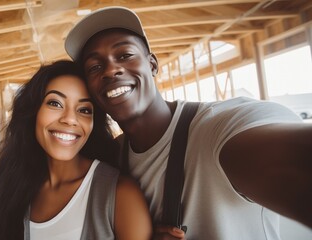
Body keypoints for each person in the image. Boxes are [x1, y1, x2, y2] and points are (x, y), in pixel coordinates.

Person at [64, 6, 312, 240]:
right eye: (95, 67)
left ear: (152, 64)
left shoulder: (217, 130)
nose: (110, 70)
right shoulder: (112, 157)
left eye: (125, 55)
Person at [0, 60, 152, 240]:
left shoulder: (121, 194)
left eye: (84, 109)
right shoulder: (12, 188)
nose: (70, 119)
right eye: (55, 103)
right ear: (33, 112)